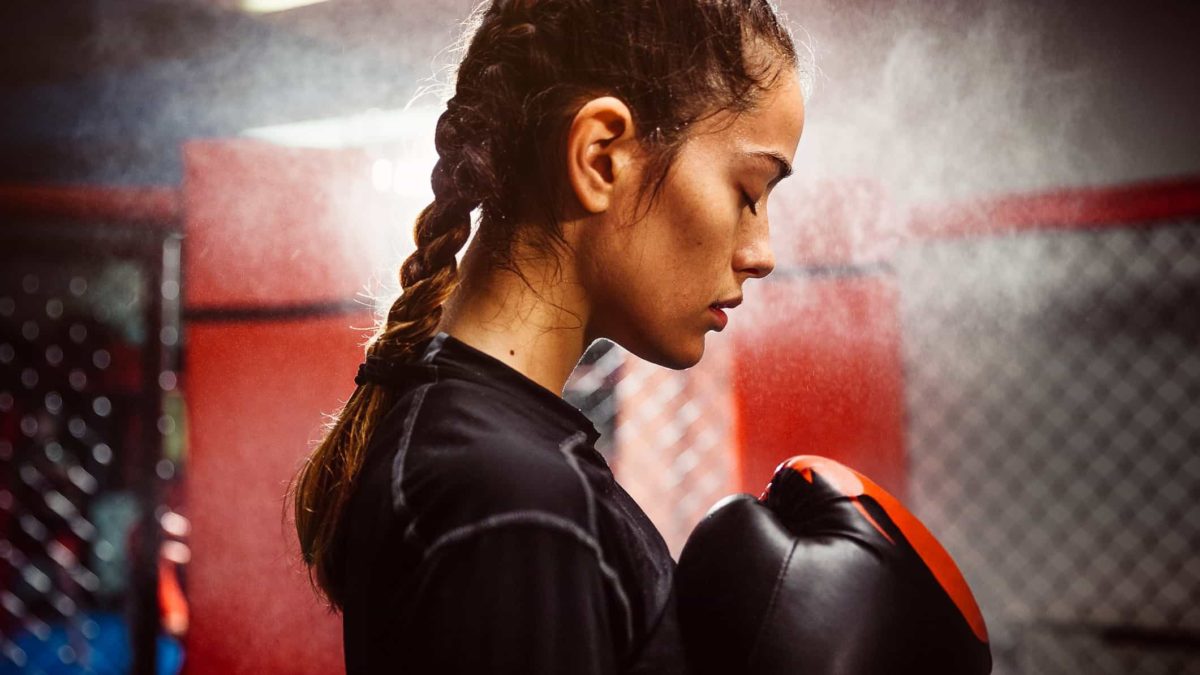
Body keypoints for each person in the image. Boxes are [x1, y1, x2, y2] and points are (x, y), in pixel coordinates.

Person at [286, 0, 806, 672]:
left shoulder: (484, 457)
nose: (761, 250)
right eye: (749, 191)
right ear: (601, 157)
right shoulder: (514, 501)